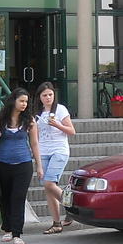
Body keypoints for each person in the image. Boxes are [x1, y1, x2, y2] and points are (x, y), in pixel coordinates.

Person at [0, 88, 41, 244]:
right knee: (4, 197)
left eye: (26, 101)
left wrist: (39, 165)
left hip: (23, 164)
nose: (24, 104)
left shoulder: (30, 120)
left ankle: (17, 233)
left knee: (18, 197)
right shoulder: (0, 117)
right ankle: (8, 229)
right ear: (13, 101)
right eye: (21, 101)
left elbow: (34, 143)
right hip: (3, 164)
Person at [33, 82, 76, 235]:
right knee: (48, 187)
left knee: (50, 183)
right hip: (44, 151)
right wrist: (37, 161)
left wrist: (57, 124)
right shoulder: (37, 114)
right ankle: (57, 223)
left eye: (50, 95)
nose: (48, 98)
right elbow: (35, 139)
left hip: (59, 150)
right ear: (39, 97)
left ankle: (71, 207)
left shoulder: (60, 109)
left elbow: (72, 131)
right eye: (44, 95)